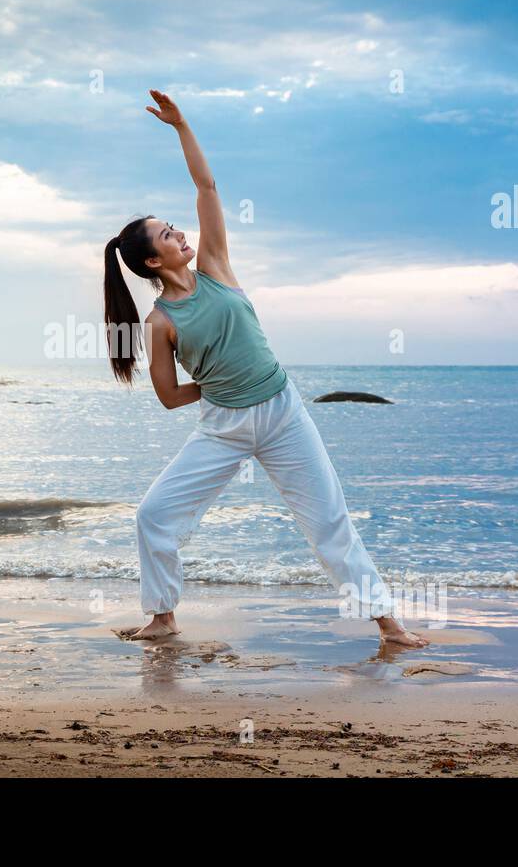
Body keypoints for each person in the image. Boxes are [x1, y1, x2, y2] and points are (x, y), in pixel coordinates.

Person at [102, 89, 428, 648]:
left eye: (175, 227)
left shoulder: (215, 266)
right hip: (224, 426)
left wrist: (182, 127)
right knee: (153, 515)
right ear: (153, 262)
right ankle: (162, 618)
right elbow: (169, 395)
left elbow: (207, 187)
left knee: (328, 523)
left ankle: (389, 625)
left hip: (283, 413)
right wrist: (216, 384)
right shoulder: (159, 323)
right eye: (167, 235)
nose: (180, 234)